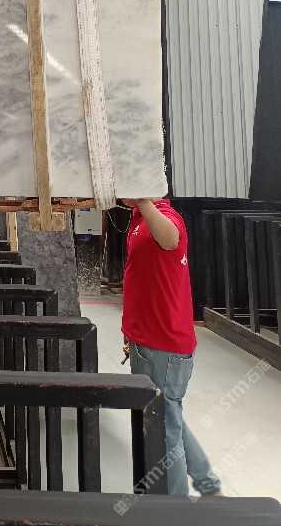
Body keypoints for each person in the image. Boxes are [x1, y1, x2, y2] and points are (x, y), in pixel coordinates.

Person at [121, 198, 222, 497]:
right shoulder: (139, 219)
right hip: (145, 340)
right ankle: (208, 484)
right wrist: (129, 331)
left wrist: (142, 197)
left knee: (166, 431)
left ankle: (176, 508)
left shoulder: (164, 215)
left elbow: (170, 239)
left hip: (163, 345)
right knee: (169, 417)